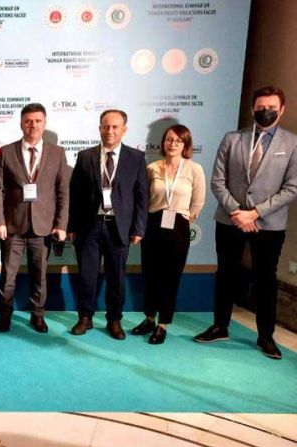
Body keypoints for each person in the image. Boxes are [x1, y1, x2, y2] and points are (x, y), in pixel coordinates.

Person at [195, 86, 297, 359]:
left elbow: (292, 188)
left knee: (266, 279)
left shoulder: (292, 143)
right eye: (261, 107)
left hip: (268, 224)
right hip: (230, 220)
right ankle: (220, 326)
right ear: (253, 109)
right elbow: (218, 181)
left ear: (282, 110)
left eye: (272, 107)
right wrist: (238, 212)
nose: (266, 112)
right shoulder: (233, 139)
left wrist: (255, 213)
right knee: (226, 274)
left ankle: (266, 336)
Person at [68, 109, 148, 340]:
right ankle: (85, 317)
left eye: (115, 127)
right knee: (87, 275)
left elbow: (142, 196)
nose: (110, 131)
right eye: (105, 126)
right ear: (100, 128)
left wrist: (139, 228)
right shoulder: (85, 156)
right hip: (89, 226)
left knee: (117, 277)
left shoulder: (136, 158)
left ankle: (114, 319)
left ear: (124, 129)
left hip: (119, 227)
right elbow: (75, 194)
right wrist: (71, 226)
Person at [0, 103, 70, 333]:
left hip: (43, 227)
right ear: (21, 124)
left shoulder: (57, 153)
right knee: (8, 276)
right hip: (12, 227)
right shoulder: (7, 152)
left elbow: (62, 191)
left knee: (40, 276)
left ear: (44, 124)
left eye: (37, 121)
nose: (32, 125)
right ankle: (5, 314)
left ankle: (38, 315)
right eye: (28, 121)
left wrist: (61, 224)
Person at [131, 125, 205, 344]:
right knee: (150, 274)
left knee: (170, 277)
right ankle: (149, 318)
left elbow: (198, 201)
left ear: (186, 145)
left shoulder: (194, 169)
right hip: (153, 223)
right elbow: (143, 198)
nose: (173, 144)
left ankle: (163, 324)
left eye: (178, 141)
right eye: (169, 139)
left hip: (179, 226)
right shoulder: (152, 168)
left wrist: (186, 220)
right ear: (163, 143)